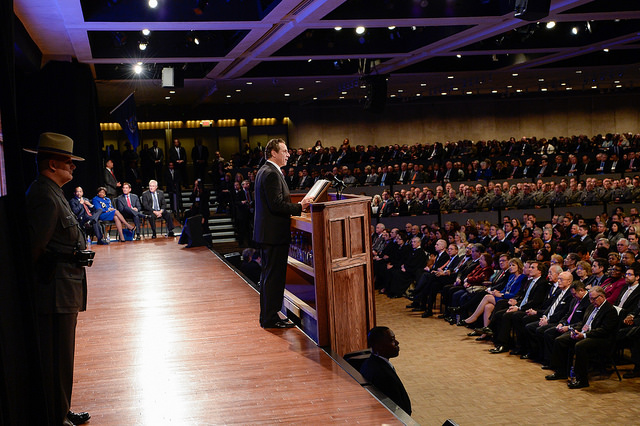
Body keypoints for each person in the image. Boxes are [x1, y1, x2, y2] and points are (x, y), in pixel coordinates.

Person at [24, 133, 91, 426]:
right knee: (56, 357)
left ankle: (61, 409)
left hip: (63, 289)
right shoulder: (42, 195)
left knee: (63, 357)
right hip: (53, 291)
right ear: (53, 164)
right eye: (69, 162)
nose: (73, 168)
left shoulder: (52, 191)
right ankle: (55, 416)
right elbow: (33, 249)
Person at [253, 138, 313, 329]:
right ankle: (270, 318)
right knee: (273, 277)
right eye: (285, 151)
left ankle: (271, 315)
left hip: (269, 234)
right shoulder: (270, 173)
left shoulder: (266, 170)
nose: (288, 154)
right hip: (273, 235)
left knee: (271, 277)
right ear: (274, 153)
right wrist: (300, 206)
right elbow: (276, 205)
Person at [546, 285, 619, 389]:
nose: (591, 301)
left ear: (602, 297)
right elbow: (583, 322)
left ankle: (582, 380)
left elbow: (604, 330)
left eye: (594, 298)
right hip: (586, 333)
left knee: (580, 345)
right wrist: (574, 330)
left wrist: (584, 335)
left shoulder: (609, 310)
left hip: (602, 339)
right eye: (590, 298)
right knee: (560, 340)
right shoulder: (591, 306)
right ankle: (560, 371)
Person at [359, 326, 411, 415]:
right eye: (392, 340)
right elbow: (397, 408)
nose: (397, 343)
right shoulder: (384, 375)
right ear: (379, 346)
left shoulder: (370, 362)